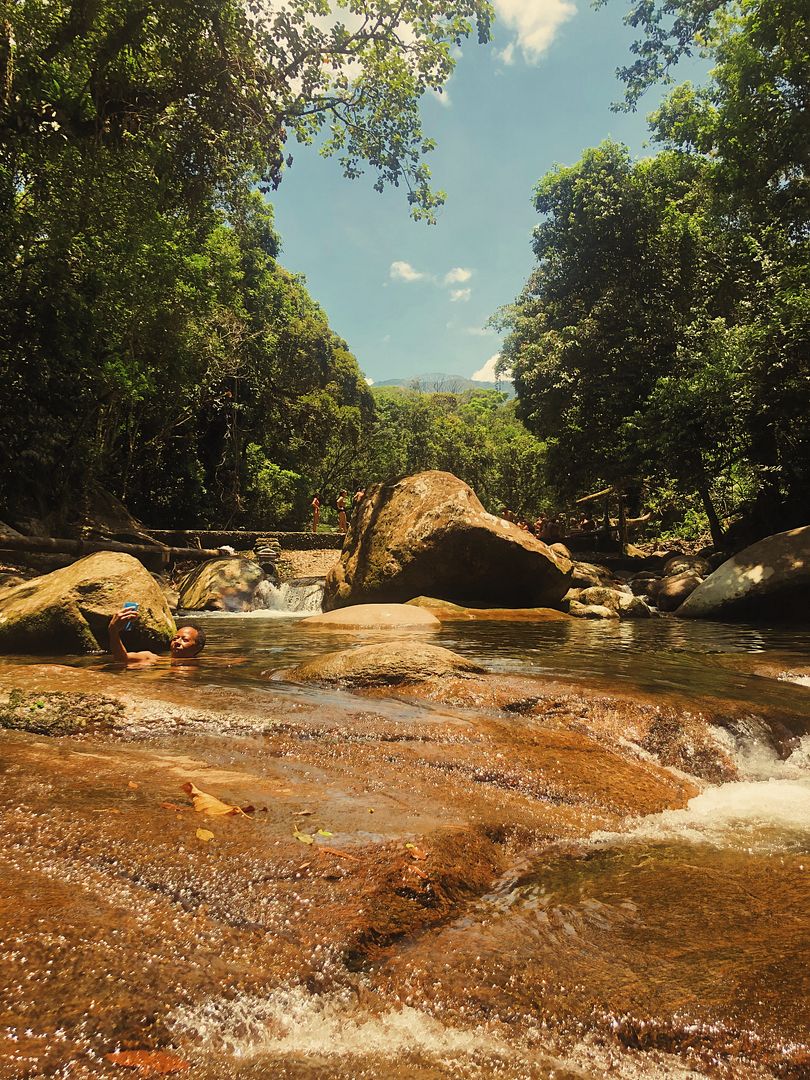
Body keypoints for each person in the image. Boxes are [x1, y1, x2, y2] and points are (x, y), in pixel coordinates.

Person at [108, 608, 205, 667]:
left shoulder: (207, 661)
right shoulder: (151, 657)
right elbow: (121, 658)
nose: (177, 642)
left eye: (185, 640)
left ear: (198, 646)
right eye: (175, 638)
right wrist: (113, 631)